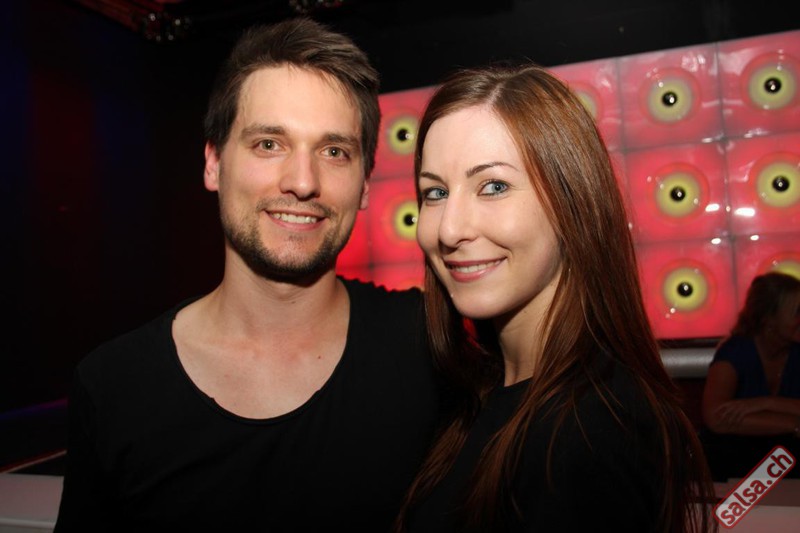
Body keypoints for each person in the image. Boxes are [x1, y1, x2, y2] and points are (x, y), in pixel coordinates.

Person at [55, 17, 439, 531]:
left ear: (365, 184)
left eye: (334, 152)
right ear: (214, 163)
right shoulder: (114, 387)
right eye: (268, 144)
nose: (302, 182)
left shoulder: (431, 347)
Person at [393, 64, 715, 532]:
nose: (449, 229)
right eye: (436, 192)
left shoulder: (592, 429)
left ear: (571, 205)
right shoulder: (479, 394)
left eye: (493, 186)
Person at [701, 271, 800, 480]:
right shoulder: (735, 352)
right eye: (797, 312)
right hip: (741, 465)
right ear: (769, 319)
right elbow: (715, 418)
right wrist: (793, 424)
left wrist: (765, 403)